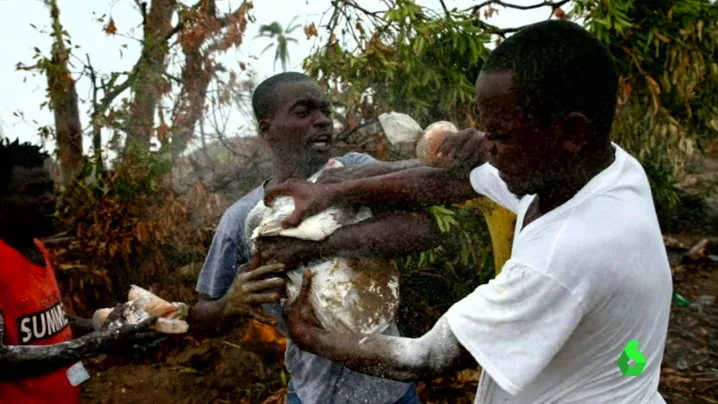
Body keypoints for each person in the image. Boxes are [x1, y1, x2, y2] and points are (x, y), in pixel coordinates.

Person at [268, 20, 673, 403]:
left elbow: (424, 357)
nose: (486, 147)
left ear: (571, 132)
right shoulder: (599, 168)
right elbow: (446, 182)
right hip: (624, 375)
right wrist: (333, 194)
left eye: (499, 136)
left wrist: (307, 335)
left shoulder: (567, 254)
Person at [188, 72, 442, 404]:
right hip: (312, 394)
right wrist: (231, 302)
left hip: (392, 389)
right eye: (304, 112)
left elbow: (424, 230)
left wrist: (312, 246)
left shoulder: (353, 172)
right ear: (267, 129)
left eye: (326, 111)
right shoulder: (244, 218)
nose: (322, 121)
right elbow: (199, 318)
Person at [0, 138, 160, 404]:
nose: (50, 199)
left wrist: (103, 325)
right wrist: (99, 342)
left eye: (51, 189)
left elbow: (49, 321)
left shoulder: (36, 247)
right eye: (34, 191)